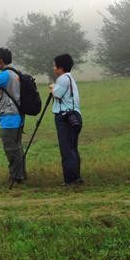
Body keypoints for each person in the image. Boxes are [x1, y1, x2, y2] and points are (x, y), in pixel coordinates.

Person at [0, 47, 25, 184]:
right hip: (18, 116)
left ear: (0, 60)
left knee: (11, 150)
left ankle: (16, 178)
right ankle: (21, 175)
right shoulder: (16, 73)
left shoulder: (5, 74)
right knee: (17, 148)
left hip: (9, 118)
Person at [48, 53, 83, 186]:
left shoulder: (62, 79)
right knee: (72, 148)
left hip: (65, 117)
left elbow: (57, 94)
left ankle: (70, 180)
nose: (54, 68)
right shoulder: (70, 78)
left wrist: (52, 88)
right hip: (74, 116)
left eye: (55, 65)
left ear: (60, 67)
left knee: (66, 149)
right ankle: (76, 177)